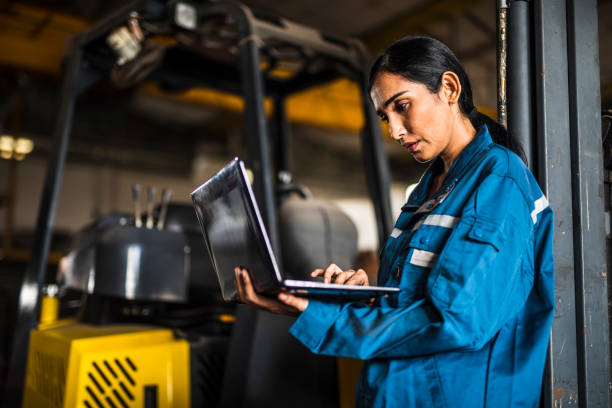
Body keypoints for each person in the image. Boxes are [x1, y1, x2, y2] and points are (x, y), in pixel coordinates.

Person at [234, 36, 554, 407]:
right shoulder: (425, 192)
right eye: (386, 116)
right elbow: (411, 303)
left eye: (402, 106)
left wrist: (322, 317)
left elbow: (455, 320)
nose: (395, 131)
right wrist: (355, 295)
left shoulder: (499, 180)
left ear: (449, 88)